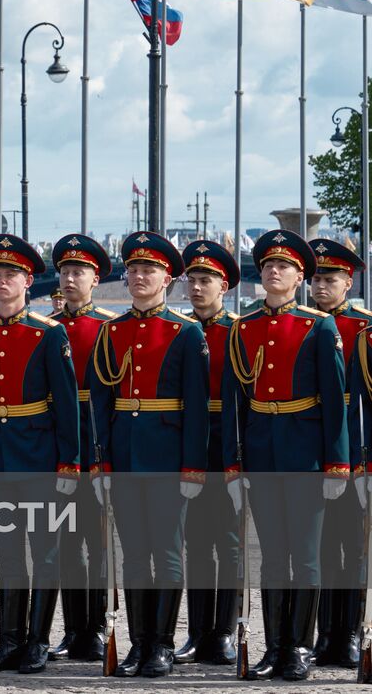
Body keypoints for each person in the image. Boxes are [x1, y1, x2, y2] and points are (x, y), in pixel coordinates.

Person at [223, 230, 349, 681]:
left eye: (284, 267)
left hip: (305, 455)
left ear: (299, 277)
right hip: (261, 452)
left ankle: (299, 648)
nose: (273, 273)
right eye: (268, 266)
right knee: (272, 556)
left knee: (307, 555)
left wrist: (338, 462)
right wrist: (234, 464)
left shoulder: (320, 325)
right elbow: (235, 402)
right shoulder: (245, 327)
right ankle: (274, 646)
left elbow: (334, 400)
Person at [87, 231, 208, 678]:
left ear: (167, 279)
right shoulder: (110, 331)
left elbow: (197, 409)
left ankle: (161, 643)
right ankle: (138, 642)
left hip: (167, 456)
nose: (139, 277)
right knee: (134, 553)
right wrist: (101, 462)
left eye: (149, 271)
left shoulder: (185, 331)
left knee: (168, 552)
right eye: (134, 270)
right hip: (123, 456)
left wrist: (193, 466)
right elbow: (101, 403)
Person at [0, 234, 80, 675]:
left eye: (11, 275)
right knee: (9, 552)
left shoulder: (49, 334)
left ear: (28, 281)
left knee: (45, 552)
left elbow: (67, 404)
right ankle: (10, 640)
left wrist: (69, 462)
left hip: (38, 455)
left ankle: (37, 641)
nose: (2, 282)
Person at [48, 234, 116, 662]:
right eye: (65, 272)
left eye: (79, 272)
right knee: (65, 542)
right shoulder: (51, 327)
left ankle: (95, 628)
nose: (70, 279)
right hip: (57, 443)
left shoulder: (107, 327)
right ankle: (73, 629)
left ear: (95, 279)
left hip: (94, 442)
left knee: (98, 540)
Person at [176, 238, 241, 666]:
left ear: (225, 286)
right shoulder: (179, 331)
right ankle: (197, 632)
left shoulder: (239, 330)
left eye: (207, 280)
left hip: (227, 444)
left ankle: (224, 632)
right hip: (190, 446)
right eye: (193, 279)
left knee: (231, 543)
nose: (198, 288)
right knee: (195, 543)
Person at [307, 238, 372, 668]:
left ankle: (348, 633)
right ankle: (323, 633)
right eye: (315, 278)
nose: (320, 286)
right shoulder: (302, 324)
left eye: (329, 279)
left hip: (354, 453)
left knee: (354, 548)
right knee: (320, 548)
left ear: (347, 282)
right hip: (311, 453)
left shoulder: (362, 328)